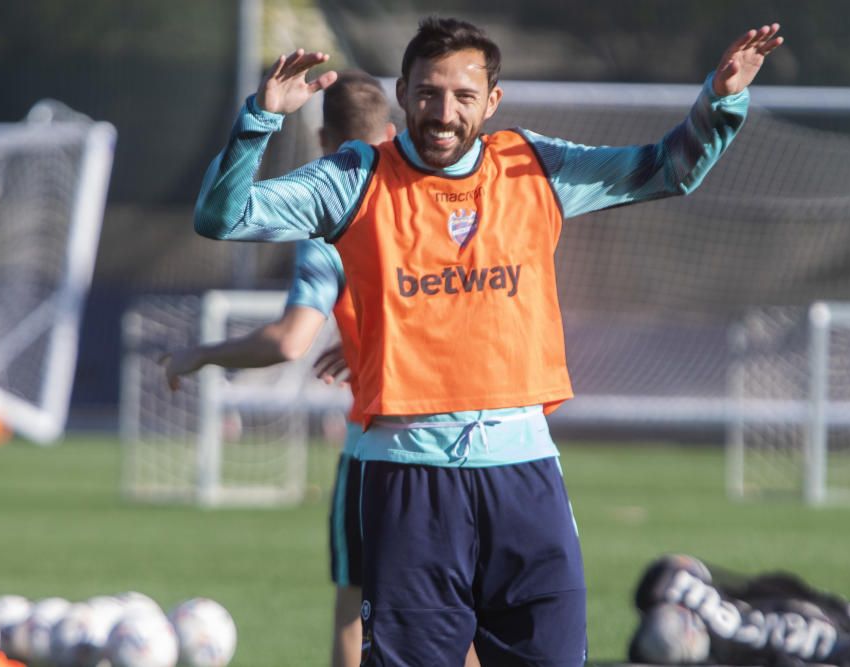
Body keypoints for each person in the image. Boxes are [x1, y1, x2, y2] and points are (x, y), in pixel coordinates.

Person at [193, 16, 783, 666]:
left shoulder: (532, 167)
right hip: (409, 477)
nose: (443, 113)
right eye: (428, 93)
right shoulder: (355, 177)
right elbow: (224, 215)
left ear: (491, 102)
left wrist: (721, 99)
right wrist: (260, 119)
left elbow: (671, 167)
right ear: (402, 91)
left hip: (523, 474)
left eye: (463, 96)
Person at [162, 70, 395, 667]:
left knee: (355, 608)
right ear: (392, 133)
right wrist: (380, 343)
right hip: (477, 449)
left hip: (381, 448)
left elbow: (292, 341)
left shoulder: (333, 216)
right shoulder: (425, 209)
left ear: (323, 142)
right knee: (457, 611)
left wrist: (202, 354)